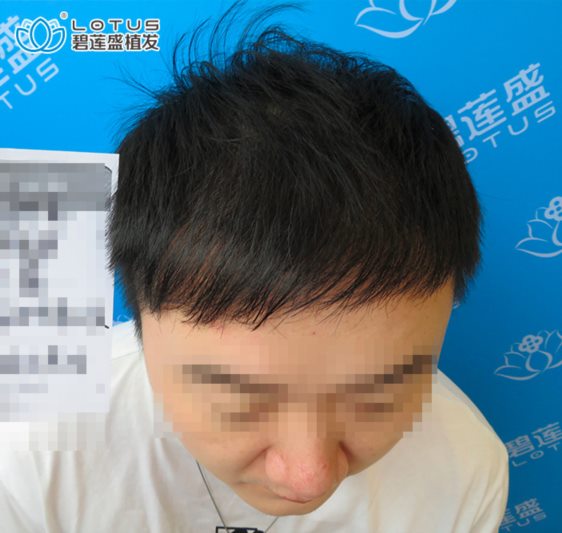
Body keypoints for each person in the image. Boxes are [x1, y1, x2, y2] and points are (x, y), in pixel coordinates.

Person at [0, 1, 509, 531]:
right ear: (141, 327)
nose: (308, 476)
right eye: (236, 398)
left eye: (379, 396)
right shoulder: (24, 448)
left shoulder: (466, 473)